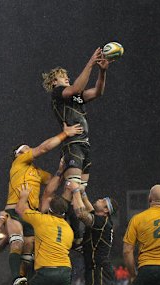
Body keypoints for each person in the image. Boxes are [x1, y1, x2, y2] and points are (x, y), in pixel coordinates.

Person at [4, 122, 82, 285]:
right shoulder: (19, 163)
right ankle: (15, 281)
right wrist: (65, 134)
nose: (28, 149)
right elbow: (44, 148)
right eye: (24, 149)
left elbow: (53, 183)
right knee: (18, 242)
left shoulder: (36, 172)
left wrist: (61, 171)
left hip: (31, 214)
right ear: (18, 155)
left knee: (29, 253)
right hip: (15, 209)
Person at [41, 48, 112, 188]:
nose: (67, 78)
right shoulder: (57, 93)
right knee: (73, 190)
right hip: (72, 143)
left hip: (84, 143)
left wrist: (102, 71)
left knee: (81, 190)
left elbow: (97, 92)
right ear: (54, 82)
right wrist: (91, 63)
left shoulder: (75, 97)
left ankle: (77, 209)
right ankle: (61, 209)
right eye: (62, 76)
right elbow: (76, 89)